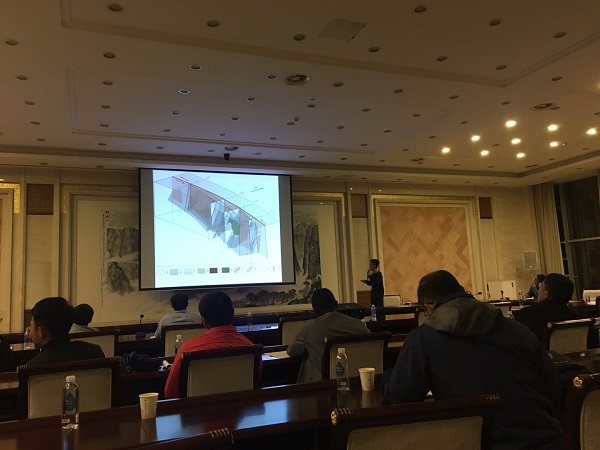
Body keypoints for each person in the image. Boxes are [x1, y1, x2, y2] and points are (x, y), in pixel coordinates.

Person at [383, 270, 562, 450]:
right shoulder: (517, 329)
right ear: (462, 291)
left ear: (429, 306)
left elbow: (400, 399)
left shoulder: (423, 339)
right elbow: (553, 384)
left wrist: (387, 378)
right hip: (549, 440)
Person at [164, 292, 255, 398]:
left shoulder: (188, 349)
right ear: (232, 314)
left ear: (204, 321)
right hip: (242, 407)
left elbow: (170, 392)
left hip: (196, 408)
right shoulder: (250, 346)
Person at [287, 288, 369, 383]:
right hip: (355, 381)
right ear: (336, 305)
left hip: (321, 384)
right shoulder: (359, 326)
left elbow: (292, 351)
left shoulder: (310, 328)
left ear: (315, 310)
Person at [513, 273, 597, 347]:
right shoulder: (581, 319)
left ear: (546, 293)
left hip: (543, 359)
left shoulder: (528, 315)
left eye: (540, 287)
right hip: (577, 359)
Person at [27, 297, 105, 366]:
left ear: (40, 331)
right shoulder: (94, 352)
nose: (29, 330)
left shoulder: (33, 367)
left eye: (31, 325)